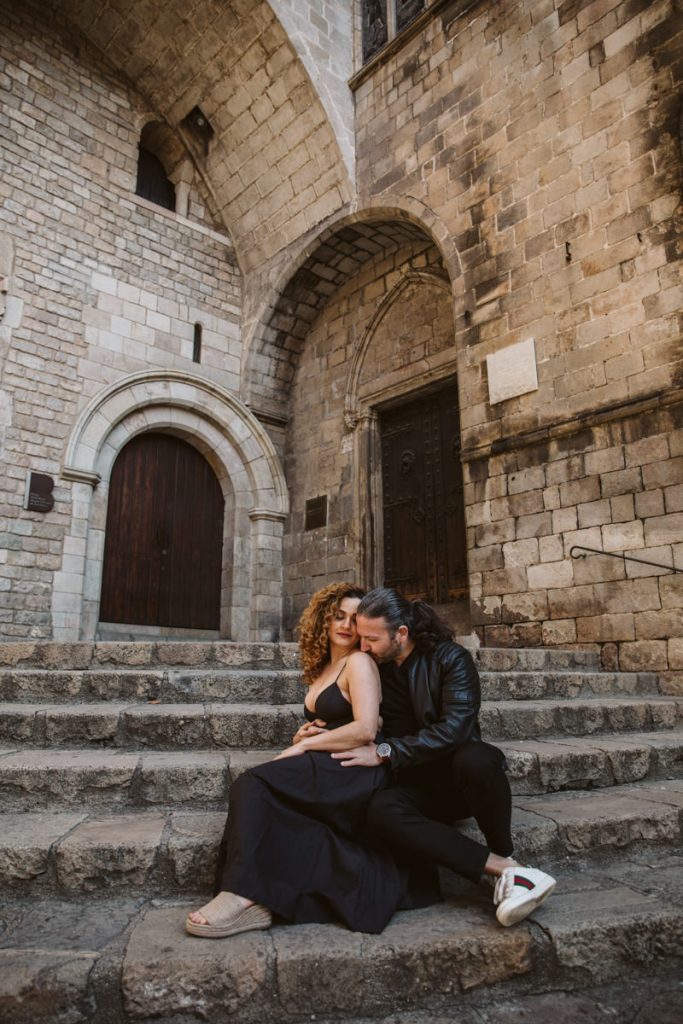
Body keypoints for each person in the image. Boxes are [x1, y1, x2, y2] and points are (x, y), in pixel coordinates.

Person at [186, 582, 406, 938]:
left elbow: (366, 728)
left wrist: (302, 748)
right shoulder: (322, 669)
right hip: (330, 756)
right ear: (323, 618)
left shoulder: (360, 662)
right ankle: (258, 896)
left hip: (354, 766)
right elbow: (333, 721)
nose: (346, 625)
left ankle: (241, 894)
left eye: (354, 619)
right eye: (338, 616)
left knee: (252, 784)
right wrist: (303, 736)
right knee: (269, 798)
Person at [331, 587, 556, 928]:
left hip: (458, 780)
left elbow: (456, 728)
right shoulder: (378, 668)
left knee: (479, 758)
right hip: (416, 783)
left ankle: (504, 853)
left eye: (371, 639)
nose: (363, 647)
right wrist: (321, 730)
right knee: (381, 811)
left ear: (401, 633)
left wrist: (388, 751)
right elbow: (359, 715)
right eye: (362, 638)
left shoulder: (451, 659)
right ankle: (507, 871)